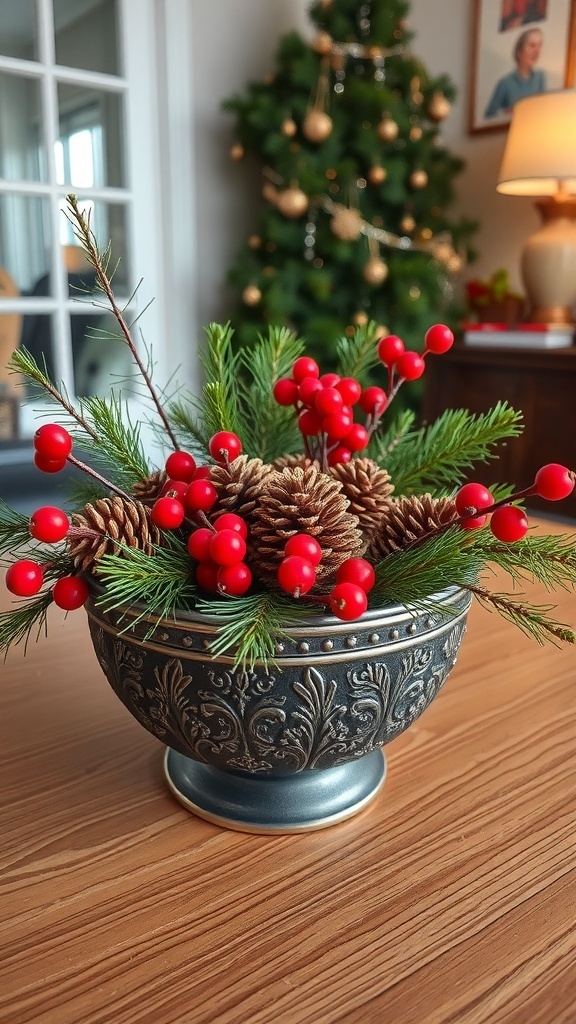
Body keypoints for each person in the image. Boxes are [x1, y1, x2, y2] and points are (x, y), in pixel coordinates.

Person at [484, 27, 545, 118]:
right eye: (532, 45)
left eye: (539, 46)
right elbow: (489, 115)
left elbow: (544, 110)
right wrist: (506, 113)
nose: (537, 51)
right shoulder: (505, 83)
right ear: (519, 51)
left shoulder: (540, 77)